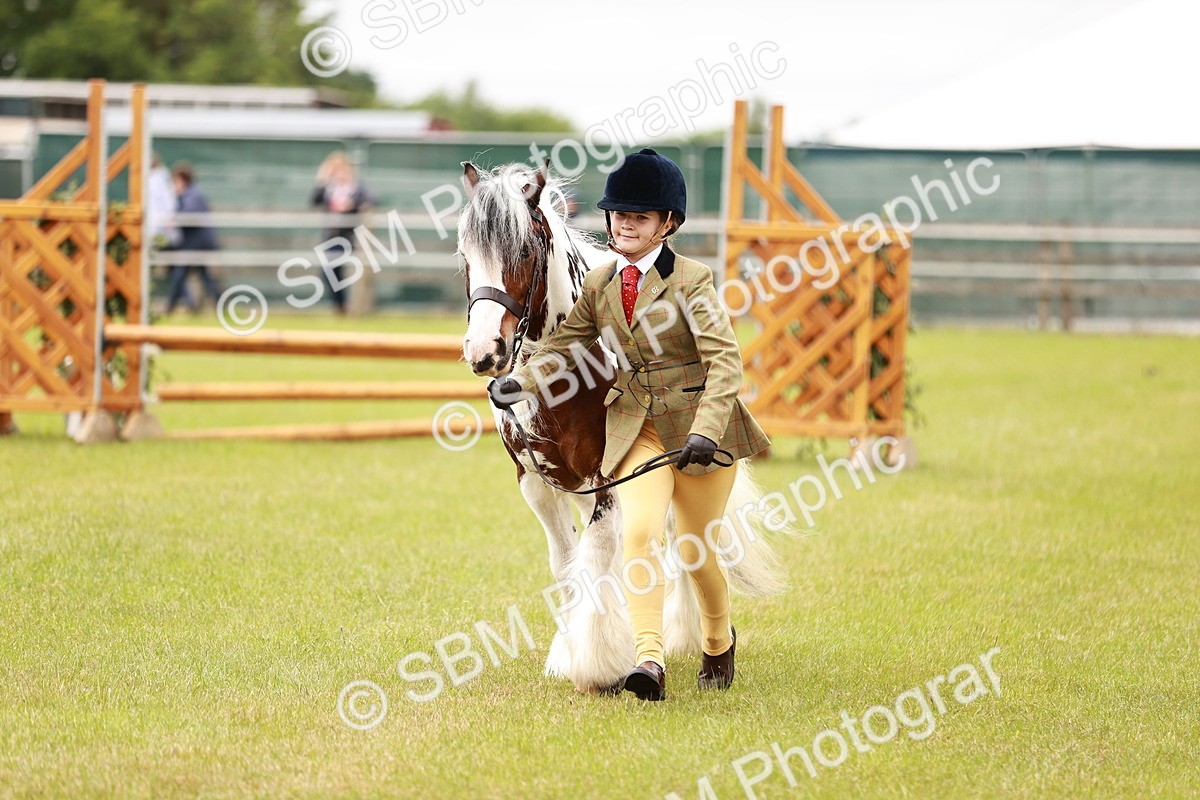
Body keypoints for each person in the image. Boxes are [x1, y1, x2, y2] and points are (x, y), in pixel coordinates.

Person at [489, 148, 771, 701]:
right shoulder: (599, 284)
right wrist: (522, 381)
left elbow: (726, 363)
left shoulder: (693, 281)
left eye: (639, 217)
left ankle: (718, 638)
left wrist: (708, 431)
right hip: (637, 429)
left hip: (698, 432)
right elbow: (567, 345)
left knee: (696, 549)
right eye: (619, 215)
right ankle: (649, 661)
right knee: (638, 535)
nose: (625, 225)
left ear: (668, 224)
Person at [310, 151, 374, 315]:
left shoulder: (357, 188)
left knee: (346, 273)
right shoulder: (329, 189)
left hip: (351, 238)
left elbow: (371, 200)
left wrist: (351, 205)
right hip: (331, 238)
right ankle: (341, 306)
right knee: (329, 271)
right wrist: (321, 179)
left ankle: (346, 307)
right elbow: (314, 200)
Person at [164, 162, 221, 314]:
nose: (173, 185)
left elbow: (190, 217)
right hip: (196, 243)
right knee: (203, 275)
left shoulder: (192, 195)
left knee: (180, 274)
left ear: (182, 180)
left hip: (195, 243)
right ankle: (218, 304)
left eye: (175, 181)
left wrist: (174, 220)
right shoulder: (191, 194)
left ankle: (172, 307)